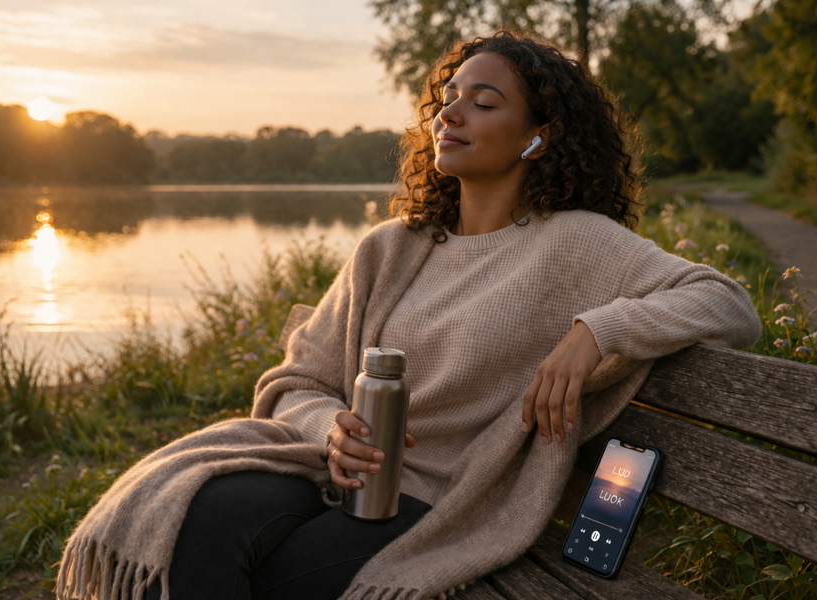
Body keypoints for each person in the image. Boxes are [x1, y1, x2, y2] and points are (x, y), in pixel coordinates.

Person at [57, 29, 762, 600]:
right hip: (323, 471)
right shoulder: (390, 248)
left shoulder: (576, 242)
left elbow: (727, 304)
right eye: (448, 99)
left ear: (537, 136)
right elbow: (298, 380)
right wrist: (328, 428)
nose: (449, 114)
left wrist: (596, 331)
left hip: (436, 501)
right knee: (189, 521)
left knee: (275, 582)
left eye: (483, 103)